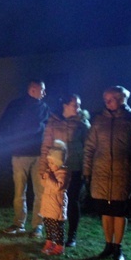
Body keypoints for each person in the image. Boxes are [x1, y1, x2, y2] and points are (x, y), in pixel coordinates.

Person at [83, 86, 131, 260]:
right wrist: (87, 171)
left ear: (122, 99)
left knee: (120, 212)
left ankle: (118, 247)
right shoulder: (99, 120)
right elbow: (89, 148)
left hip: (124, 173)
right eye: (105, 99)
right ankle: (108, 245)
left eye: (111, 98)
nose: (107, 102)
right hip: (101, 173)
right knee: (105, 211)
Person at [0, 80, 50, 238]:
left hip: (39, 154)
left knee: (40, 192)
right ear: (33, 89)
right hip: (20, 154)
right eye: (42, 89)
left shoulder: (44, 108)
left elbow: (49, 129)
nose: (44, 93)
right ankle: (19, 223)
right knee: (19, 191)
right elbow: (4, 125)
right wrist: (13, 143)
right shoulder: (16, 105)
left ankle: (38, 225)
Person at [38, 94, 90, 247]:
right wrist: (43, 168)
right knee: (54, 202)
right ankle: (53, 236)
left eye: (79, 105)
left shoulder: (82, 124)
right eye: (75, 105)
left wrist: (86, 170)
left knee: (72, 202)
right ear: (65, 106)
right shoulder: (53, 122)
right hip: (56, 169)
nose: (78, 108)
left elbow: (88, 148)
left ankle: (71, 236)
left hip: (75, 169)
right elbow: (46, 146)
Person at [39, 140, 70, 256]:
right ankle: (49, 242)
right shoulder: (51, 172)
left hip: (57, 204)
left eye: (52, 163)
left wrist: (50, 177)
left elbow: (58, 187)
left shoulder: (63, 173)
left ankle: (59, 246)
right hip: (48, 204)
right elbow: (44, 183)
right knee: (48, 224)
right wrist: (44, 177)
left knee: (57, 227)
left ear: (58, 162)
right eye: (49, 162)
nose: (50, 165)